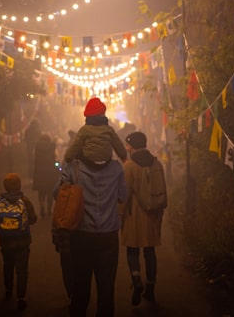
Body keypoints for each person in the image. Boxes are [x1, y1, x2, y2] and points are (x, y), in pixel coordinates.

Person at [53, 158, 127, 316]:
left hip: (81, 235)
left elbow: (57, 193)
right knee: (106, 289)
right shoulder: (116, 167)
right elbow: (122, 196)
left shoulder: (73, 167)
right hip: (108, 235)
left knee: (80, 286)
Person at [119, 132, 166, 306]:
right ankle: (150, 288)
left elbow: (124, 195)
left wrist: (119, 215)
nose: (126, 148)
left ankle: (136, 279)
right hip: (152, 214)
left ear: (132, 146)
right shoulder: (157, 164)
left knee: (132, 250)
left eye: (127, 145)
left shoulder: (129, 166)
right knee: (150, 252)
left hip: (134, 216)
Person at [0, 173, 37, 311]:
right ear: (19, 185)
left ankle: (8, 290)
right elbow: (33, 219)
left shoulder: (0, 202)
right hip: (23, 242)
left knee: (8, 266)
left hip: (5, 242)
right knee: (22, 270)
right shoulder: (25, 201)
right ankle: (21, 297)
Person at [64, 97, 127, 165]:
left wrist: (68, 159)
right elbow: (120, 149)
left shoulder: (84, 130)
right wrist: (124, 158)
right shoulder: (109, 130)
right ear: (102, 115)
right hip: (106, 164)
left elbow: (71, 152)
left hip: (88, 164)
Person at [33, 133, 60, 218]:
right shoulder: (52, 146)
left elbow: (34, 159)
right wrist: (58, 167)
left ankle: (42, 206)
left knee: (41, 191)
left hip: (39, 172)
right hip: (50, 172)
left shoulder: (36, 147)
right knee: (50, 191)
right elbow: (56, 158)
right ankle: (49, 209)